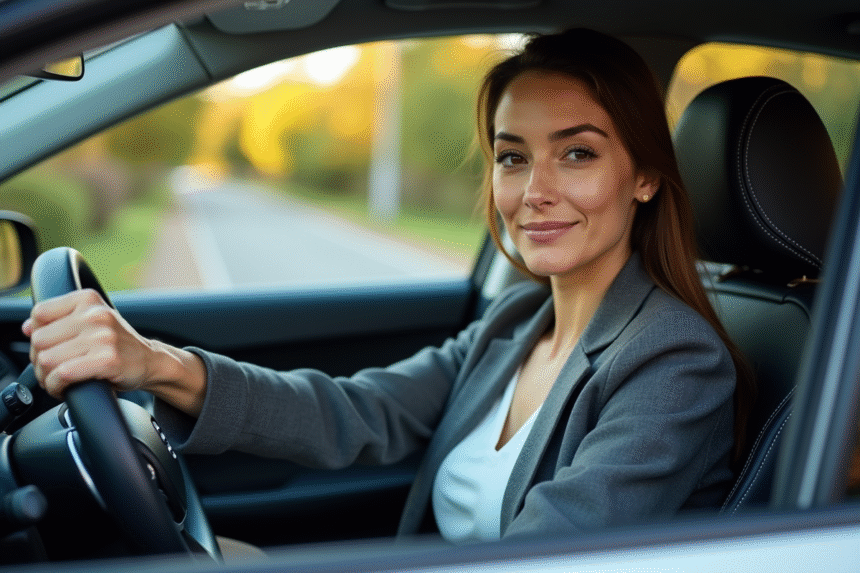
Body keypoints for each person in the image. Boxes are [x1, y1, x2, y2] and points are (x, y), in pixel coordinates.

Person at [22, 28, 753, 543]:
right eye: (513, 157)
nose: (535, 191)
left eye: (578, 154)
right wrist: (157, 363)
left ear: (645, 177)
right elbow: (356, 411)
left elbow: (544, 554)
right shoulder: (515, 321)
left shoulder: (676, 361)